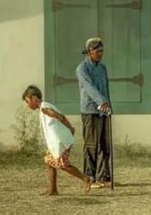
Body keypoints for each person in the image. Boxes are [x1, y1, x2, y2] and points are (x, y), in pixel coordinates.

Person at [22, 85, 93, 195]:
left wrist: (70, 128)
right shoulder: (43, 108)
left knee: (62, 165)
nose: (27, 105)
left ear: (34, 98)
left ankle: (86, 178)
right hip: (55, 143)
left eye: (27, 101)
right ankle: (52, 190)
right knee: (50, 163)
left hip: (60, 142)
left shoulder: (44, 108)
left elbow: (60, 117)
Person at [76, 37, 112, 188]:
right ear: (89, 51)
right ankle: (90, 178)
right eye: (97, 51)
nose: (100, 53)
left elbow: (106, 89)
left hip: (104, 111)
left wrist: (108, 105)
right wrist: (101, 101)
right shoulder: (82, 68)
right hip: (90, 111)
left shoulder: (102, 68)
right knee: (91, 146)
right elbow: (90, 88)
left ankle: (104, 177)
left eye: (102, 50)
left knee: (106, 145)